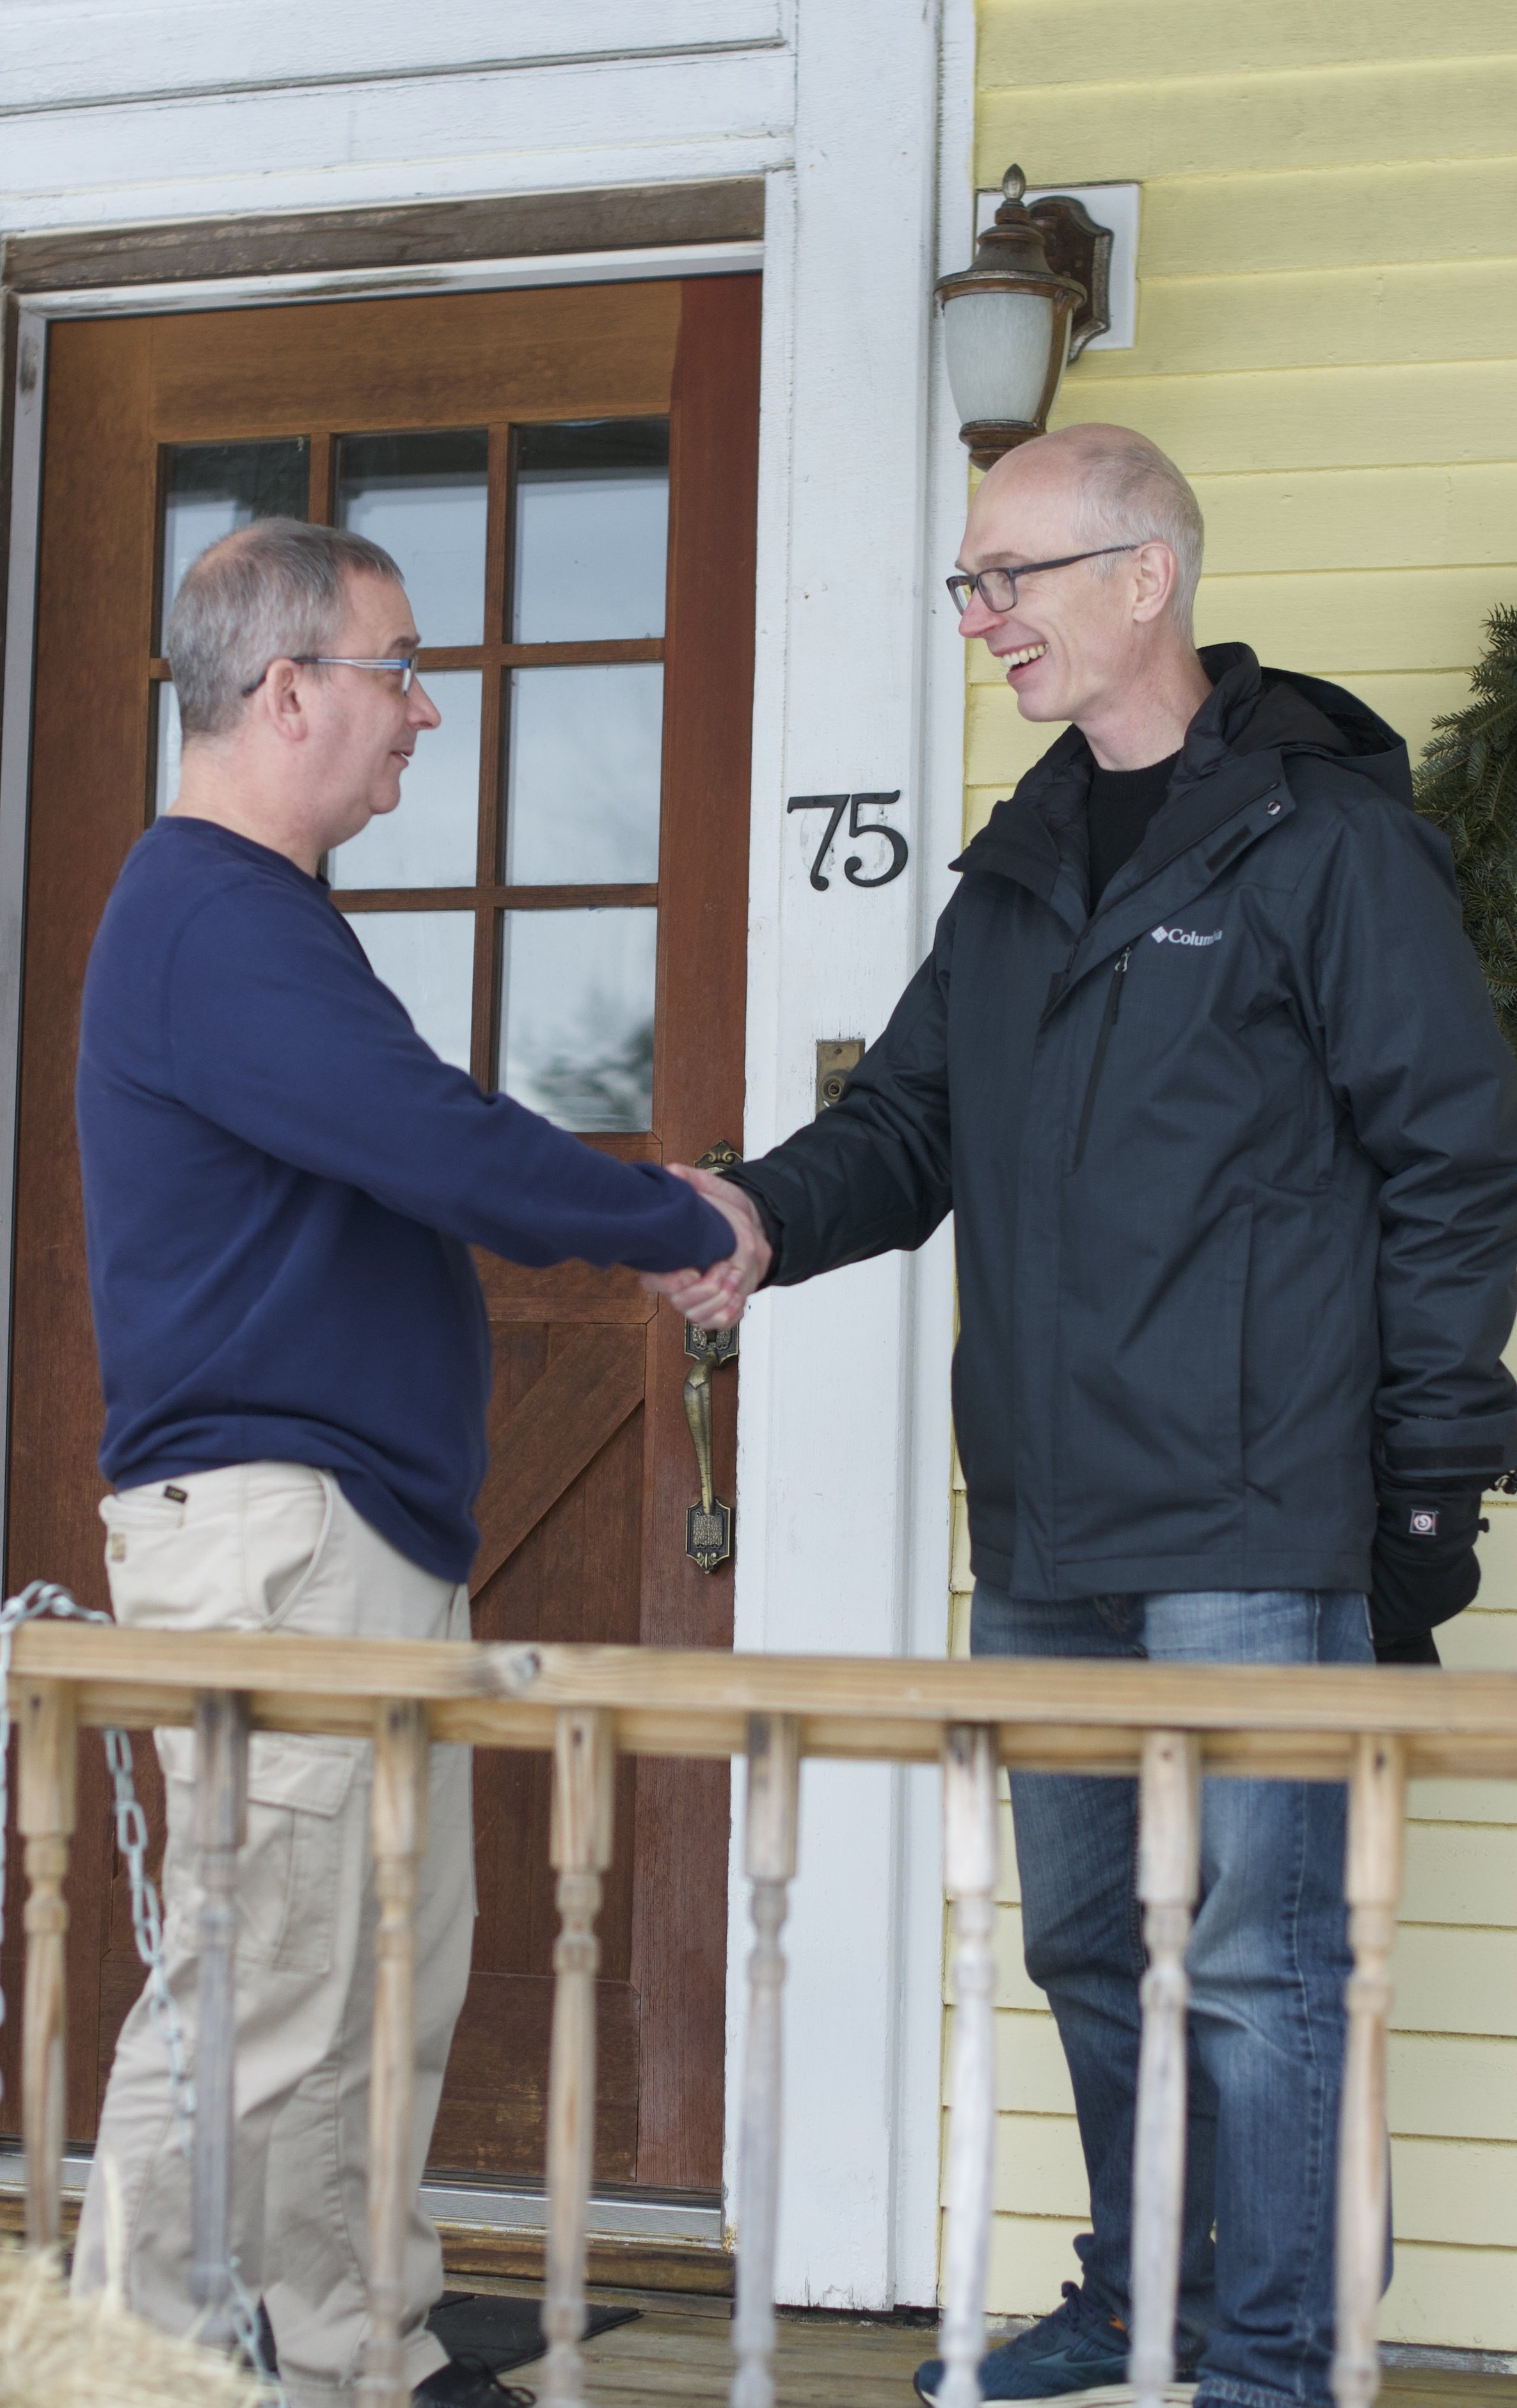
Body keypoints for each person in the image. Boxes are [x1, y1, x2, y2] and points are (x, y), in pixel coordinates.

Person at [646, 424, 1517, 2408]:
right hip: (1043, 1528)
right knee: (1092, 1952)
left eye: (1009, 579)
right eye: (968, 585)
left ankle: (1273, 2361)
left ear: (1146, 580)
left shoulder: (1323, 843)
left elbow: (1452, 1162)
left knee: (1263, 1973)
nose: (982, 620)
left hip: (1252, 1523)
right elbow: (909, 1122)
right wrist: (758, 1219)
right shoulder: (1024, 862)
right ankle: (1139, 2299)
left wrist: (1425, 1484)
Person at [70, 518, 749, 2406]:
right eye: (397, 666)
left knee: (379, 1981)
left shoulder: (256, 913)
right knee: (261, 1992)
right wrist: (659, 1215)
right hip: (279, 1546)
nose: (426, 709)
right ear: (287, 689)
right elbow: (421, 1137)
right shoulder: (208, 910)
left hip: (347, 1535)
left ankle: (361, 2348)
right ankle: (113, 2367)